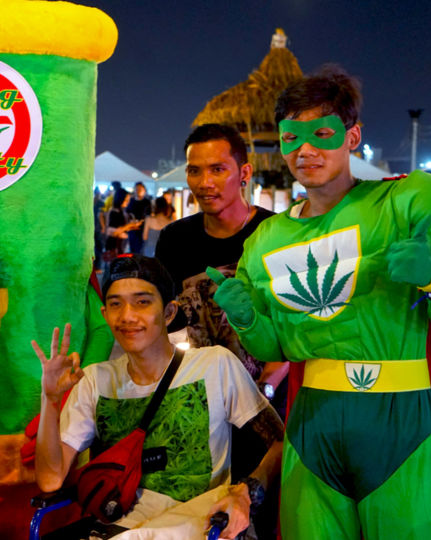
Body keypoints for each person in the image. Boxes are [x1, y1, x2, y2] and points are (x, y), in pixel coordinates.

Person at [210, 66, 431, 538]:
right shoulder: (267, 240)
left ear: (352, 136)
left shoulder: (405, 203)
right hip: (313, 426)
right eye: (291, 138)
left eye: (322, 133)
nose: (305, 150)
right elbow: (276, 347)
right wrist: (246, 316)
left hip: (402, 426)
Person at [34, 255, 283, 538]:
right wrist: (51, 400)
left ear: (168, 312)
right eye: (116, 304)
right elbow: (50, 479)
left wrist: (247, 492)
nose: (127, 315)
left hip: (198, 527)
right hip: (115, 529)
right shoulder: (94, 380)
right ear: (105, 315)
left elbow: (280, 442)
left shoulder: (214, 365)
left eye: (142, 302)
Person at [155, 124, 274, 381]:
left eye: (218, 170)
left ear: (244, 172)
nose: (205, 183)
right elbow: (164, 321)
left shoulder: (275, 234)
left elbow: (292, 325)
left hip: (265, 393)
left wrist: (264, 391)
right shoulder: (174, 239)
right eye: (194, 171)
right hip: (193, 390)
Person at [126, 181, 152, 255]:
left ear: (144, 190)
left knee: (141, 249)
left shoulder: (147, 202)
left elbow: (149, 215)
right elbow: (127, 213)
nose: (138, 191)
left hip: (143, 229)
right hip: (132, 229)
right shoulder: (131, 201)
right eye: (137, 189)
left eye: (140, 189)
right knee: (132, 249)